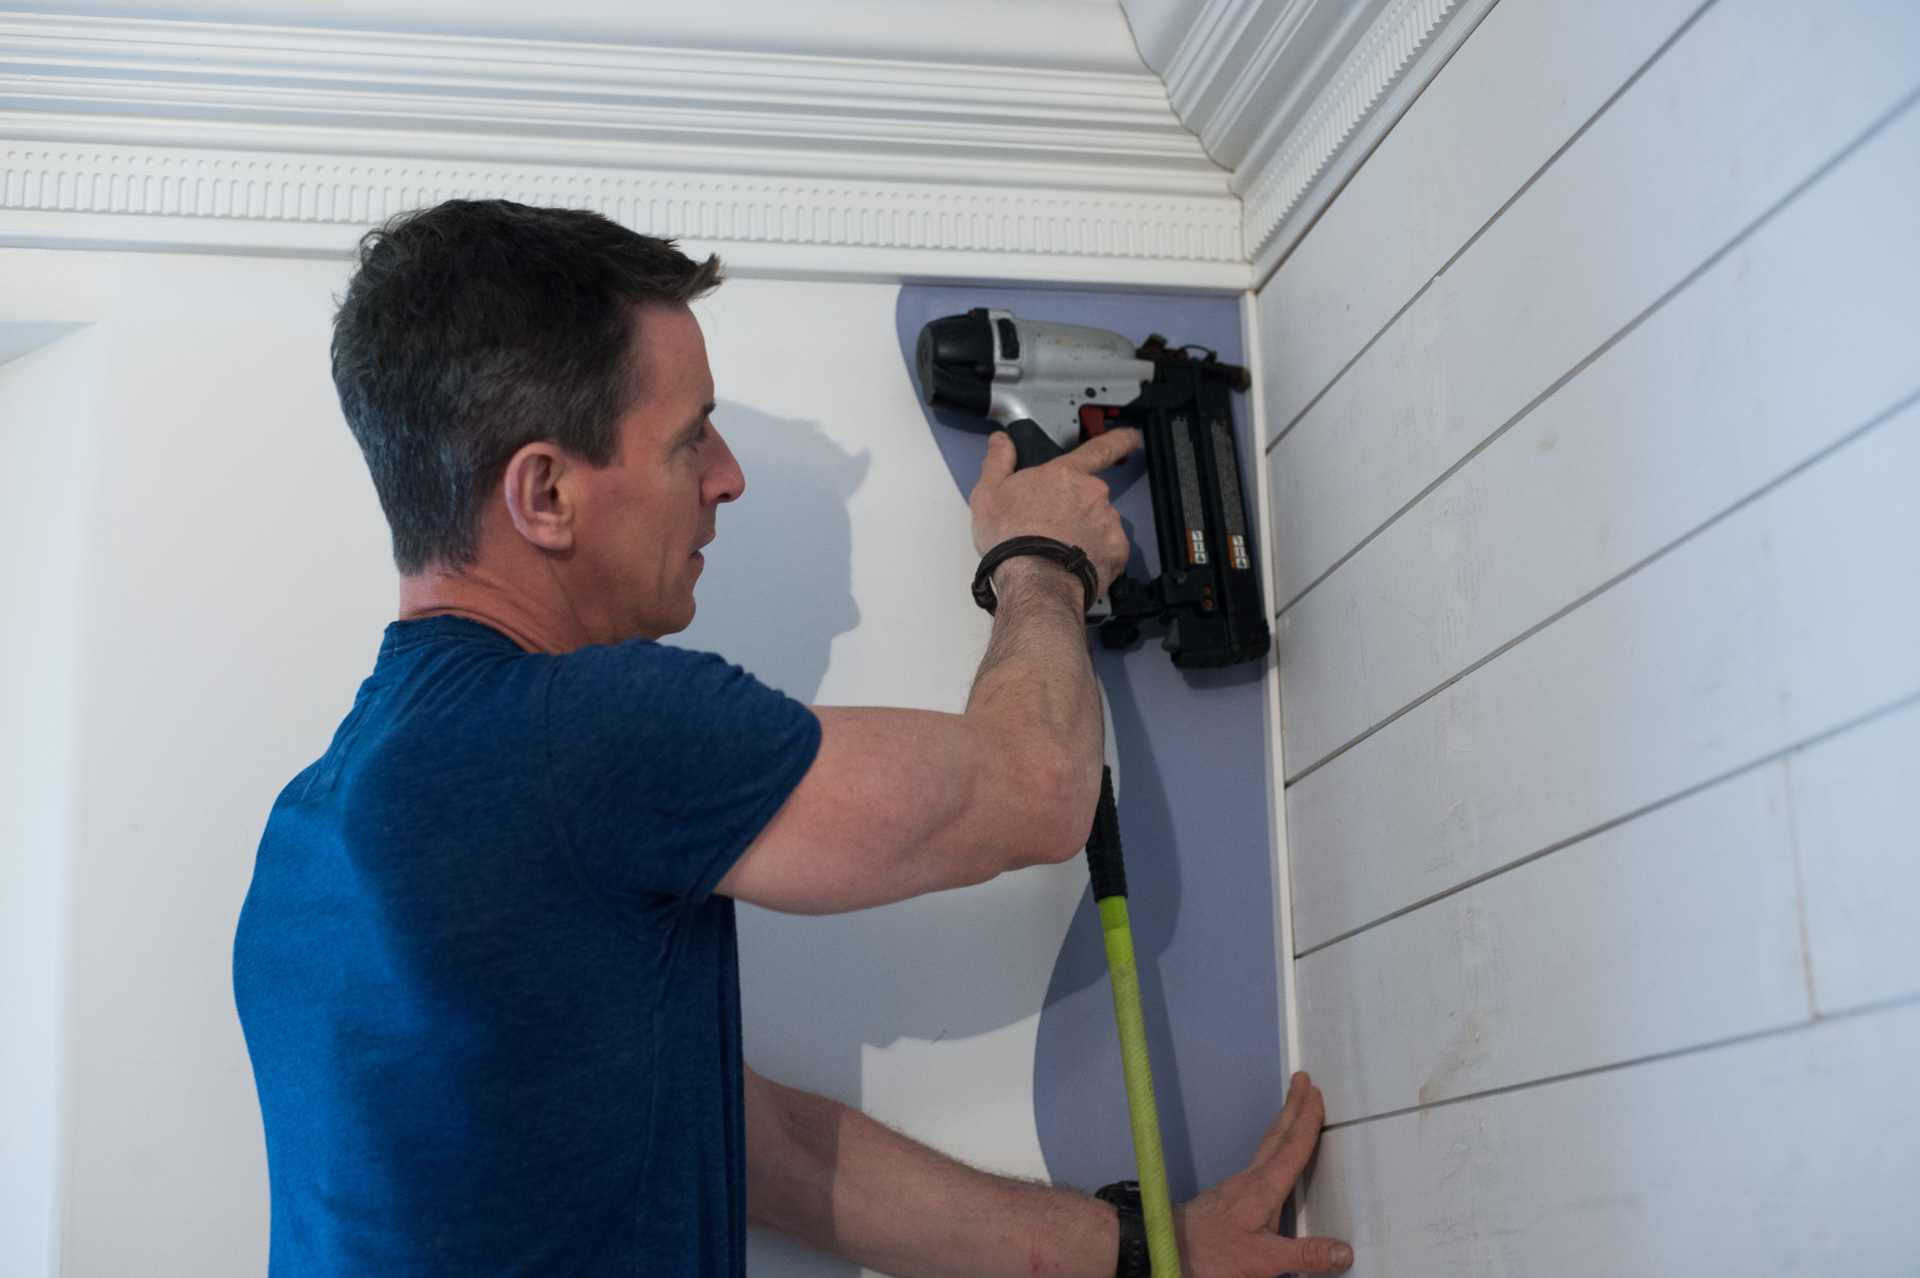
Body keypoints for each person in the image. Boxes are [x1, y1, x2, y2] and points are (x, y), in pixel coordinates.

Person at [232, 198, 1353, 1278]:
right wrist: (1041, 566)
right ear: (546, 495)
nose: (728, 476)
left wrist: (1149, 1252)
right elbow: (1040, 787)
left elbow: (766, 1152)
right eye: (689, 439)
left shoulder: (307, 831)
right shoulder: (582, 731)